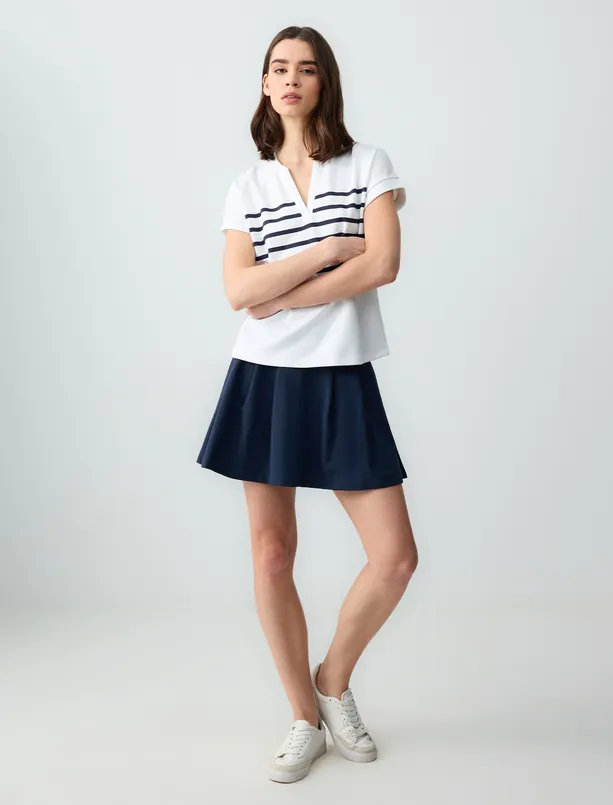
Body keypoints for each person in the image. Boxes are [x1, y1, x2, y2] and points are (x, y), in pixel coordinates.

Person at [196, 25, 418, 784]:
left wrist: (281, 294)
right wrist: (326, 251)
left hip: (341, 375)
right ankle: (302, 717)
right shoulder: (247, 186)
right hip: (264, 379)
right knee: (271, 553)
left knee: (394, 557)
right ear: (265, 84)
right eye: (279, 67)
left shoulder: (369, 165)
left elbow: (383, 264)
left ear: (325, 83)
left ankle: (331, 679)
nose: (291, 78)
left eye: (307, 68)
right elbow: (239, 292)